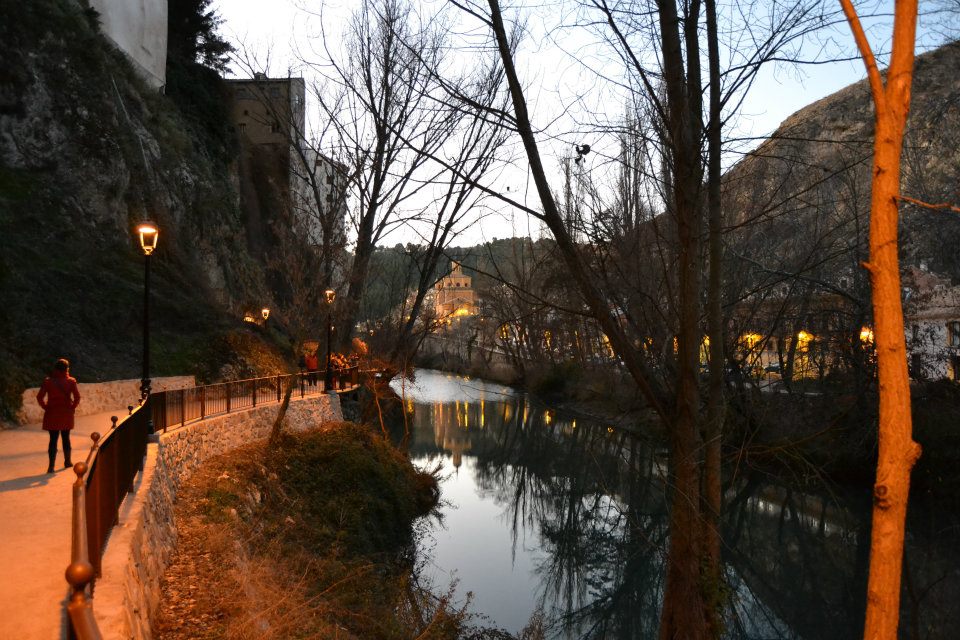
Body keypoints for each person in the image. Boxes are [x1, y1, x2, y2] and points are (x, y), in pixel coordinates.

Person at [36, 358, 81, 474]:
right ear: (67, 369)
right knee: (66, 438)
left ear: (55, 369)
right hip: (66, 413)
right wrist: (72, 407)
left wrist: (46, 407)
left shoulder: (48, 381)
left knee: (53, 440)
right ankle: (68, 462)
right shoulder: (71, 381)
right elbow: (77, 397)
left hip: (52, 413)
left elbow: (39, 397)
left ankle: (51, 466)